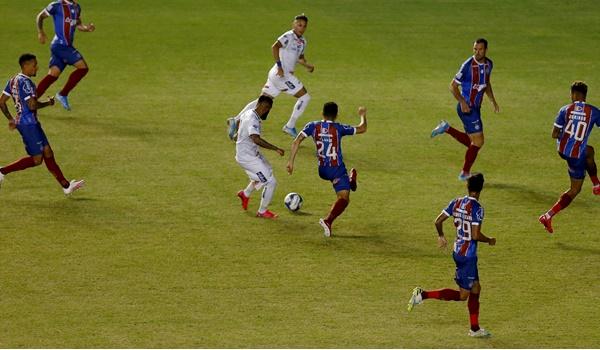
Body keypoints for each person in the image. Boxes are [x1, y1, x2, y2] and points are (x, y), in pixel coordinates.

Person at [407, 173, 495, 338]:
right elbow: (475, 235)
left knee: (476, 287)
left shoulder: (457, 202)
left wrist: (441, 236)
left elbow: (438, 221)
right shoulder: (478, 209)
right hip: (467, 257)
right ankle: (422, 294)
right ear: (481, 189)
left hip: (458, 251)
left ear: (468, 187)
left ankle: (475, 329)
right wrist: (489, 240)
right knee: (463, 295)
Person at [0, 53, 84, 195]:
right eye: (34, 65)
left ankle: (66, 186)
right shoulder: (26, 83)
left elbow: (2, 101)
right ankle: (2, 171)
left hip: (29, 123)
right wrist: (48, 103)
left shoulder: (13, 79)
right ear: (25, 66)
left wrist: (11, 118)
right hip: (29, 125)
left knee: (48, 152)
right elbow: (32, 105)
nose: (37, 68)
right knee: (37, 160)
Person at [227, 14, 315, 140]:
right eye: (299, 24)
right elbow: (275, 47)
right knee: (305, 97)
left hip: (278, 74)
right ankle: (290, 126)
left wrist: (307, 66)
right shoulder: (288, 36)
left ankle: (236, 121)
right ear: (293, 24)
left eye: (304, 26)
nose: (301, 28)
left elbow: (300, 58)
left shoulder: (303, 42)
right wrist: (279, 66)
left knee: (262, 102)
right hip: (282, 74)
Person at [287, 102, 367, 237]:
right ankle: (328, 221)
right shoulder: (338, 128)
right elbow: (362, 128)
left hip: (322, 170)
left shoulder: (313, 126)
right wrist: (363, 115)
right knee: (344, 198)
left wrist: (290, 162)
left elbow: (296, 141)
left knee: (345, 188)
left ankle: (350, 181)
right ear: (336, 115)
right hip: (336, 169)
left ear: (322, 114)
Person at [430, 38, 500, 181]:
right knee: (478, 142)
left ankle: (446, 128)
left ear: (486, 50)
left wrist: (492, 100)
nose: (477, 52)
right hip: (467, 108)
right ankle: (464, 172)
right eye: (475, 49)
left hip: (476, 107)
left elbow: (486, 83)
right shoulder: (467, 65)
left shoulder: (489, 64)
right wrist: (462, 102)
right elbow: (452, 86)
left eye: (480, 49)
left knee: (472, 142)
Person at [539, 81, 600, 233]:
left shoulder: (565, 110)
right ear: (585, 96)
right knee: (575, 190)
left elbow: (554, 134)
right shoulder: (593, 111)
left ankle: (596, 184)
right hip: (575, 155)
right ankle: (548, 216)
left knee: (589, 151)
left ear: (573, 94)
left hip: (562, 149)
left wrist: (567, 135)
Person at [36, 0, 95, 111]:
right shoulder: (56, 5)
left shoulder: (77, 7)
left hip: (62, 46)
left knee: (53, 75)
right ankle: (63, 94)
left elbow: (78, 25)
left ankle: (31, 101)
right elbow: (40, 16)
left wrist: (87, 28)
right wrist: (40, 31)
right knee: (83, 68)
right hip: (61, 46)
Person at [235, 95, 285, 219]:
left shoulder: (248, 112)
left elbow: (238, 121)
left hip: (251, 154)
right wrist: (276, 148)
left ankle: (245, 194)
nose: (267, 111)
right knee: (270, 182)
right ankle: (262, 211)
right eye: (267, 108)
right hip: (247, 158)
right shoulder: (252, 119)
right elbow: (255, 139)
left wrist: (239, 135)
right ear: (263, 106)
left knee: (266, 172)